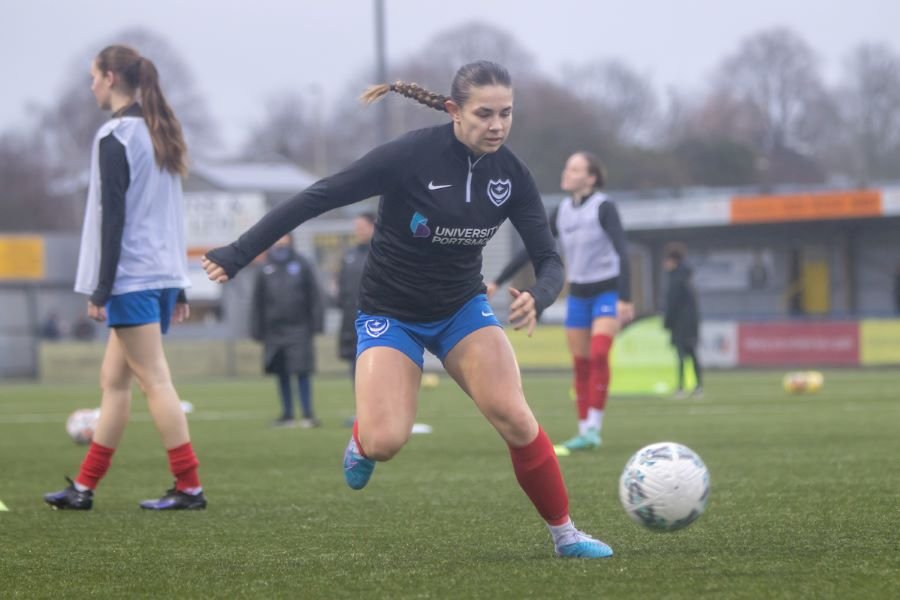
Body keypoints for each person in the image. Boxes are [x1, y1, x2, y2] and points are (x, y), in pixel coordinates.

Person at [202, 61, 612, 558]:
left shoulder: (512, 175)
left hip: (462, 309)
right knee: (385, 442)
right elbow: (319, 197)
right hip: (391, 312)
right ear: (453, 110)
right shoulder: (410, 155)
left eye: (506, 113)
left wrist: (539, 297)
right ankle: (361, 437)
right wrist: (238, 252)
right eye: (484, 114)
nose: (497, 125)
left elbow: (548, 258)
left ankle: (566, 534)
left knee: (516, 418)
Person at [44, 45, 205, 511]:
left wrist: (101, 285)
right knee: (113, 383)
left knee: (155, 381)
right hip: (155, 275)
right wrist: (178, 281)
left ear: (111, 77)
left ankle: (190, 486)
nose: (90, 84)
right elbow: (170, 219)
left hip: (131, 278)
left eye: (93, 76)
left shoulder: (116, 135)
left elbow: (112, 218)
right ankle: (83, 488)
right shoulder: (160, 133)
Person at [488, 151, 634, 456]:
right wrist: (499, 281)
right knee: (580, 363)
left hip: (607, 293)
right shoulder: (562, 210)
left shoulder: (604, 207)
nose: (566, 173)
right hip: (578, 294)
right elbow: (533, 248)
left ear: (591, 177)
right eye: (567, 167)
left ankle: (594, 427)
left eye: (575, 169)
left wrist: (625, 298)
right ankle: (584, 432)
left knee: (598, 353)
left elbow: (622, 250)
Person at [251, 233, 324, 428]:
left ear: (290, 239)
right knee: (281, 372)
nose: (280, 241)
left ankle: (308, 414)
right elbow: (257, 302)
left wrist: (317, 323)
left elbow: (315, 296)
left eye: (284, 237)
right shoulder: (264, 267)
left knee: (302, 371)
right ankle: (287, 415)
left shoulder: (302, 264)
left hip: (300, 328)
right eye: (277, 237)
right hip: (274, 330)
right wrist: (257, 329)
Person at [336, 212, 376, 383]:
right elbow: (342, 286)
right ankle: (362, 409)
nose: (358, 231)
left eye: (362, 227)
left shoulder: (382, 253)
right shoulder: (349, 256)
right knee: (355, 364)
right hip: (352, 319)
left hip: (377, 319)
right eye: (356, 228)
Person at [663, 243, 702, 398]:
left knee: (680, 355)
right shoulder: (686, 277)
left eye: (666, 260)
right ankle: (698, 387)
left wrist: (667, 322)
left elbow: (672, 303)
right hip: (691, 322)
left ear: (673, 260)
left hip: (680, 323)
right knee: (692, 353)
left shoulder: (676, 279)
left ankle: (681, 387)